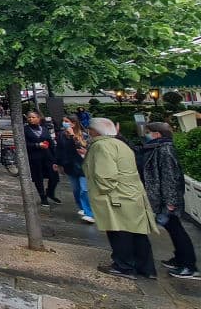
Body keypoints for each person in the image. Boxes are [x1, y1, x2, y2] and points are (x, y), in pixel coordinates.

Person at [84, 117, 157, 279]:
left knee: (119, 232)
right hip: (132, 195)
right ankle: (147, 268)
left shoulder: (101, 146)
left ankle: (123, 266)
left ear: (96, 131)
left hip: (116, 197)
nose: (88, 131)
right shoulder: (120, 144)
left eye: (90, 129)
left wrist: (104, 191)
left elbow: (105, 176)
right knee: (138, 233)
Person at [139, 122, 198, 280]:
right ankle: (180, 259)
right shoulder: (157, 148)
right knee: (174, 230)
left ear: (157, 134)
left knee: (177, 231)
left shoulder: (165, 150)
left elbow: (169, 177)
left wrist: (170, 202)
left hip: (167, 199)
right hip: (161, 198)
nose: (146, 134)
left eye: (148, 132)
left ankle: (189, 265)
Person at [55, 116, 93, 223]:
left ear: (74, 123)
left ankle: (89, 212)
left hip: (83, 166)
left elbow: (82, 148)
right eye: (63, 121)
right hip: (70, 166)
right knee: (76, 190)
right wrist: (57, 163)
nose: (64, 123)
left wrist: (73, 136)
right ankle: (83, 207)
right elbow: (59, 149)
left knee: (84, 190)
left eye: (66, 121)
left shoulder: (83, 135)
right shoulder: (62, 135)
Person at [25, 111, 60, 206]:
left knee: (54, 177)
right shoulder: (25, 130)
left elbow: (51, 144)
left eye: (33, 117)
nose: (31, 119)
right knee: (38, 178)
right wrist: (37, 145)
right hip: (34, 157)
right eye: (29, 117)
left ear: (39, 118)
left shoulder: (44, 129)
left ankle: (50, 192)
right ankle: (42, 196)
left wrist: (55, 159)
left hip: (47, 156)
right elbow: (24, 144)